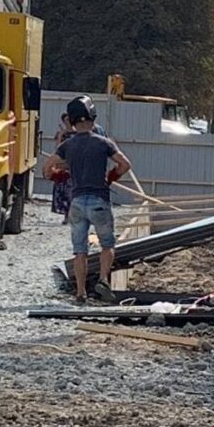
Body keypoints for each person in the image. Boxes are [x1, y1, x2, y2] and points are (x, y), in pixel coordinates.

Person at [41, 95, 131, 304]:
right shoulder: (104, 142)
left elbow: (47, 168)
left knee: (79, 250)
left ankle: (80, 293)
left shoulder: (68, 145)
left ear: (71, 121)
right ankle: (102, 280)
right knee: (107, 245)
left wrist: (59, 175)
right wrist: (111, 177)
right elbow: (125, 164)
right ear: (93, 117)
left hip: (77, 203)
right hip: (99, 200)